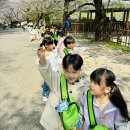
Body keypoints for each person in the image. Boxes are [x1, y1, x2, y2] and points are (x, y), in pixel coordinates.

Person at [37, 47, 87, 130]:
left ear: (80, 70)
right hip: (53, 123)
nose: (70, 75)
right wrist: (42, 59)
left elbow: (83, 111)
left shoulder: (83, 88)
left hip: (71, 125)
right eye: (67, 71)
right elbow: (46, 72)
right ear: (63, 69)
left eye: (74, 72)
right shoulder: (57, 78)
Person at [39, 37, 59, 101]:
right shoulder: (44, 54)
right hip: (48, 72)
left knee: (55, 81)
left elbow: (56, 59)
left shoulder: (53, 51)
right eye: (52, 44)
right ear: (47, 45)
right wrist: (43, 51)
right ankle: (45, 95)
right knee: (46, 83)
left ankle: (55, 92)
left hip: (55, 70)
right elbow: (39, 61)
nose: (53, 45)